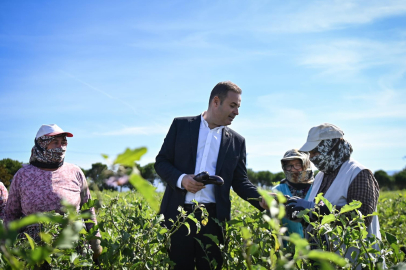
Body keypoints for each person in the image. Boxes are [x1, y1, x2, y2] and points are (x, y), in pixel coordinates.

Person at [155, 81, 268, 270]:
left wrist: (260, 198)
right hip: (177, 216)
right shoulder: (181, 126)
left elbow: (240, 182)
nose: (236, 112)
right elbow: (161, 162)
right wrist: (182, 179)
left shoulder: (237, 142)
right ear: (216, 102)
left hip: (214, 220)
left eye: (238, 107)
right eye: (233, 106)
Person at [4, 124, 102, 260]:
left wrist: (96, 242)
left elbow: (88, 210)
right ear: (41, 144)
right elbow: (11, 215)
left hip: (72, 249)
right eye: (54, 142)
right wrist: (6, 247)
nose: (60, 147)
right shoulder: (23, 175)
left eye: (63, 142)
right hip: (32, 250)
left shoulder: (75, 172)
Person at [286, 123, 380, 262]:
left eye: (315, 151)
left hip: (355, 261)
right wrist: (301, 214)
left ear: (332, 146)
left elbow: (362, 217)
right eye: (309, 153)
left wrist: (313, 210)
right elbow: (316, 214)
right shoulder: (321, 176)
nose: (311, 157)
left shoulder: (358, 174)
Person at [272, 149, 313, 238]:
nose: (293, 169)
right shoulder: (277, 191)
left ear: (306, 165)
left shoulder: (317, 188)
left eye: (297, 165)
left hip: (315, 247)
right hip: (288, 247)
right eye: (289, 166)